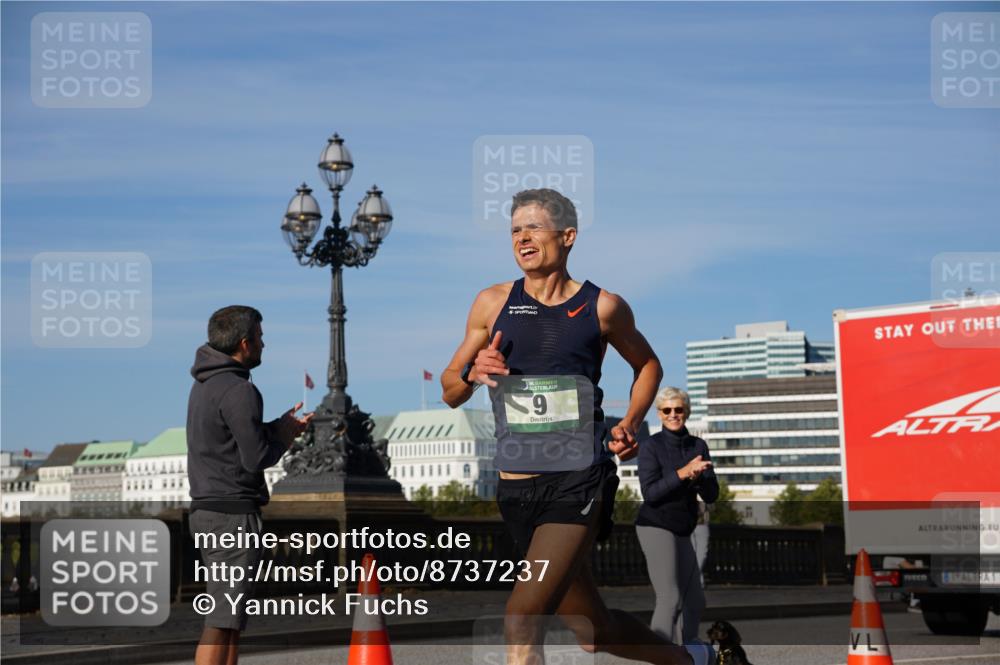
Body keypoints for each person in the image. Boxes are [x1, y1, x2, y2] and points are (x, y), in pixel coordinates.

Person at [441, 189, 713, 665]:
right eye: (515, 230)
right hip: (516, 490)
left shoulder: (602, 307)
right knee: (593, 630)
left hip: (577, 481)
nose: (522, 238)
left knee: (522, 618)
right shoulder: (491, 302)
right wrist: (473, 373)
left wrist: (631, 421)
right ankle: (690, 660)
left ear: (567, 236)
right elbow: (449, 389)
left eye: (534, 227)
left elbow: (648, 364)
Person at [186, 305, 313, 665]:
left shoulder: (205, 384)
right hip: (233, 515)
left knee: (229, 618)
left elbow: (230, 439)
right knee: (222, 620)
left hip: (207, 509)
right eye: (260, 337)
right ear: (245, 343)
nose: (263, 344)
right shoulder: (240, 390)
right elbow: (256, 458)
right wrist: (284, 438)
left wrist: (277, 427)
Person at [636, 387, 718, 644]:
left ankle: (687, 652)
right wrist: (683, 473)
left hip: (683, 527)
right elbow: (651, 493)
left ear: (687, 412)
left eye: (678, 409)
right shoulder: (651, 446)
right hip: (654, 525)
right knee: (670, 597)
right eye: (667, 410)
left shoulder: (698, 445)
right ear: (659, 414)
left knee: (695, 600)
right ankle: (660, 654)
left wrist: (699, 478)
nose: (673, 414)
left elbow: (712, 495)